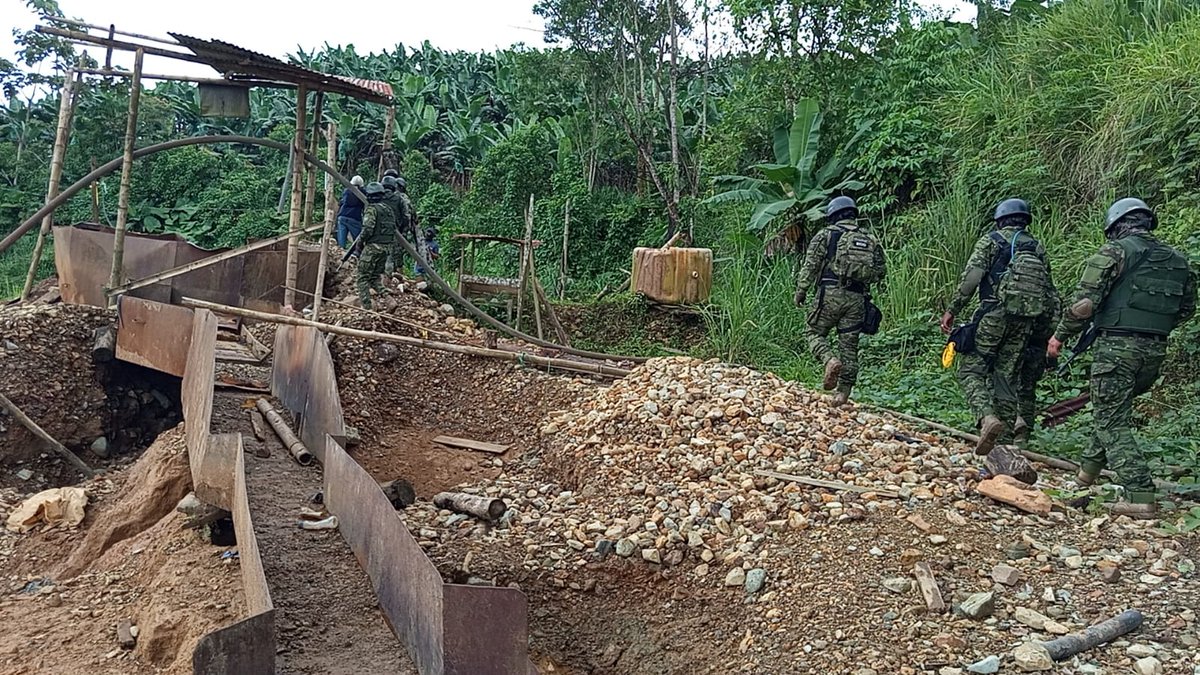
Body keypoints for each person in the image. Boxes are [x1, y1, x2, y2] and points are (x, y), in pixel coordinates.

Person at [1048, 198, 1196, 517]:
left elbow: (1084, 305)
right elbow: (1186, 309)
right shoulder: (1178, 260)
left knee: (1110, 420)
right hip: (1154, 351)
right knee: (1111, 411)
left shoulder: (1115, 252)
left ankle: (1140, 494)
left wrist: (1059, 336)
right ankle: (1085, 476)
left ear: (1116, 226)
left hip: (1117, 349)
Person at [941, 198, 1056, 456]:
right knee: (1006, 377)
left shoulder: (991, 241)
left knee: (971, 370)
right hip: (1025, 322)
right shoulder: (1036, 247)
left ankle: (987, 417)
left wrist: (952, 309)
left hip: (993, 315)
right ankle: (1004, 445)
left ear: (1000, 219)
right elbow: (1049, 292)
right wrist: (1046, 332)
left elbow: (972, 278)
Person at [794, 196, 886, 406]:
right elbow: (881, 271)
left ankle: (829, 359)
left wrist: (801, 291)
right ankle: (842, 394)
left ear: (832, 215)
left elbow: (810, 266)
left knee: (812, 332)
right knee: (849, 347)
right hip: (857, 300)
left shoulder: (826, 235)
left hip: (830, 295)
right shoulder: (870, 239)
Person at [354, 182, 396, 309]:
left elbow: (367, 229)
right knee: (374, 278)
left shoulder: (372, 209)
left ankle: (367, 308)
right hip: (386, 248)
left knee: (362, 277)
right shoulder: (388, 210)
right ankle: (389, 300)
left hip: (373, 247)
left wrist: (360, 242)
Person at [336, 175, 365, 249]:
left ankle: (340, 252)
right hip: (354, 218)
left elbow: (341, 202)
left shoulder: (347, 191)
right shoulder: (363, 192)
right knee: (358, 241)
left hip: (342, 216)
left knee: (341, 242)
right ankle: (357, 252)